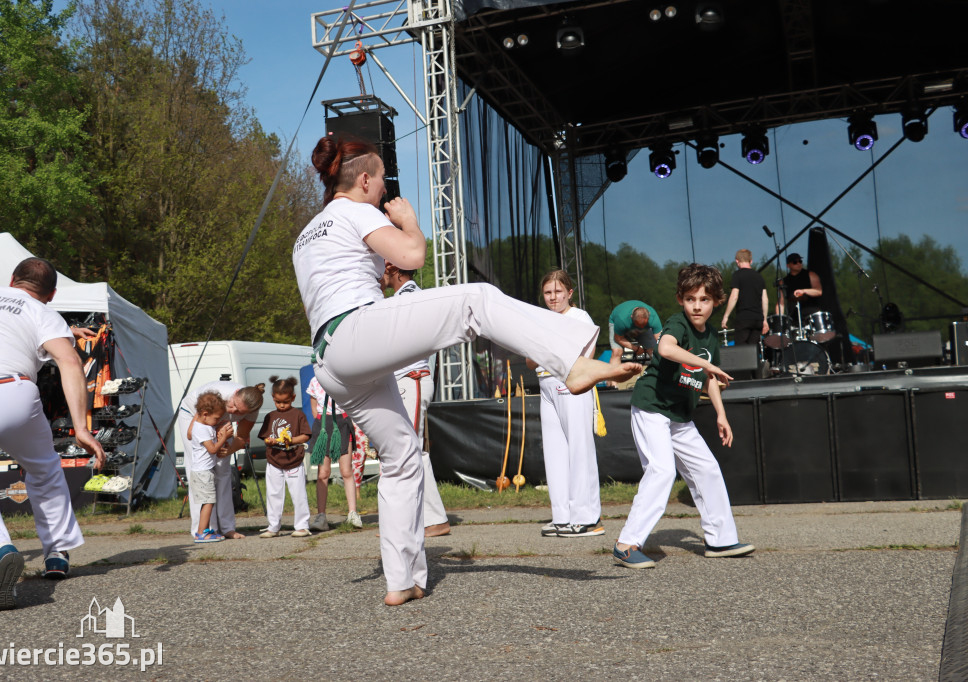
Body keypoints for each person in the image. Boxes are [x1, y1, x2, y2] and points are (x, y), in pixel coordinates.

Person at [292, 135, 640, 605]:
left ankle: (401, 581)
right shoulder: (358, 211)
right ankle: (572, 364)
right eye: (381, 185)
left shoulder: (306, 233)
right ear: (366, 179)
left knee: (401, 459)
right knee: (475, 300)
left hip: (330, 362)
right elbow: (413, 258)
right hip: (355, 334)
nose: (384, 193)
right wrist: (409, 222)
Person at [0, 257, 105, 612]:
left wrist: (61, 332)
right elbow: (70, 362)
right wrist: (81, 428)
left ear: (12, 278)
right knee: (44, 471)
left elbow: (4, 326)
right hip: (12, 393)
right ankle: (56, 553)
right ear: (52, 294)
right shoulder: (46, 314)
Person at [612, 264, 755, 569]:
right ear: (680, 300)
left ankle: (721, 540)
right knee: (662, 471)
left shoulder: (711, 337)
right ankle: (627, 544)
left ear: (716, 301)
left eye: (704, 299)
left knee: (707, 469)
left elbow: (710, 379)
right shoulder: (678, 324)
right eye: (690, 299)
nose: (697, 306)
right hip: (652, 407)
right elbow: (665, 348)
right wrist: (711, 368)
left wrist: (721, 415)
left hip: (679, 415)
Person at [526, 270, 604, 538]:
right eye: (548, 293)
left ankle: (587, 517)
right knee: (555, 451)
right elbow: (529, 361)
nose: (553, 297)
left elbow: (586, 354)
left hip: (570, 383)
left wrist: (547, 351)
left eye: (558, 292)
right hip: (545, 384)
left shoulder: (578, 317)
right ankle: (562, 516)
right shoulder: (540, 318)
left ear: (569, 293)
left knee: (579, 448)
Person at [380, 262, 450, 538]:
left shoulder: (409, 297)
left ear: (396, 271)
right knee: (405, 451)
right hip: (405, 379)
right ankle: (408, 521)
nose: (381, 275)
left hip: (412, 377)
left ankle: (434, 519)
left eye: (385, 269)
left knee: (412, 450)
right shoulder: (402, 297)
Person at [177, 380, 264, 539]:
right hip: (193, 416)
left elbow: (242, 437)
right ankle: (203, 529)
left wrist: (228, 449)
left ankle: (227, 527)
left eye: (239, 412)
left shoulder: (251, 411)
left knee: (223, 471)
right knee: (200, 470)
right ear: (235, 393)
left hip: (221, 423)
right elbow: (192, 433)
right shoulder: (217, 394)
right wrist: (219, 437)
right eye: (233, 405)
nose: (233, 411)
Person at [257, 376, 312, 538]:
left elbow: (305, 436)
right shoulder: (270, 416)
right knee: (273, 494)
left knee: (298, 493)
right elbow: (265, 437)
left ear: (293, 398)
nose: (281, 405)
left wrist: (292, 440)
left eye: (285, 402)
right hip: (274, 461)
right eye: (278, 402)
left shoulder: (298, 415)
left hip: (294, 460)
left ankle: (302, 526)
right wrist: (270, 440)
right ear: (273, 398)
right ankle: (273, 526)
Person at [306, 375, 361, 531]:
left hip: (342, 424)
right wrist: (323, 425)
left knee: (346, 470)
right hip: (323, 425)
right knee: (323, 473)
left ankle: (352, 513)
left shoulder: (343, 377)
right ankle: (321, 516)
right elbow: (314, 408)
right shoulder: (314, 380)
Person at [189, 392, 234, 543]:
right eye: (216, 419)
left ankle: (204, 530)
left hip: (205, 471)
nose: (217, 421)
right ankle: (201, 532)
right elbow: (213, 449)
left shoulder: (205, 426)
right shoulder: (200, 429)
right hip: (202, 472)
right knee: (208, 502)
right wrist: (223, 439)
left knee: (208, 501)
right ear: (205, 414)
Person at [721, 249, 769, 345]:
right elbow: (765, 299)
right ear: (751, 261)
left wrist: (726, 316)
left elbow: (734, 296)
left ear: (737, 261)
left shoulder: (737, 275)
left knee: (741, 349)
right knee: (754, 349)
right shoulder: (759, 277)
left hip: (744, 318)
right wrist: (764, 319)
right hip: (758, 319)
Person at [777, 252, 822, 321]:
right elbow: (781, 302)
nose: (799, 264)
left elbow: (819, 291)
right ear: (788, 265)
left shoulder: (811, 275)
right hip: (793, 316)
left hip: (811, 314)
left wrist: (804, 291)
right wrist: (779, 319)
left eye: (800, 261)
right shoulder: (783, 281)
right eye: (795, 262)